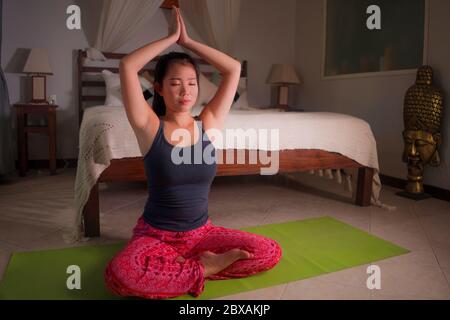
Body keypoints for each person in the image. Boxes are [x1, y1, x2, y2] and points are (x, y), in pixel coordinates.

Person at [104, 6, 282, 299]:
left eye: (191, 83)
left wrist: (188, 42)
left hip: (202, 234)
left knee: (268, 251)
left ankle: (182, 269)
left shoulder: (209, 124)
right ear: (159, 89)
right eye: (175, 83)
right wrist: (171, 37)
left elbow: (233, 69)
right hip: (156, 235)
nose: (185, 91)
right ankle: (205, 269)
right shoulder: (149, 126)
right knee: (123, 273)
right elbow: (127, 67)